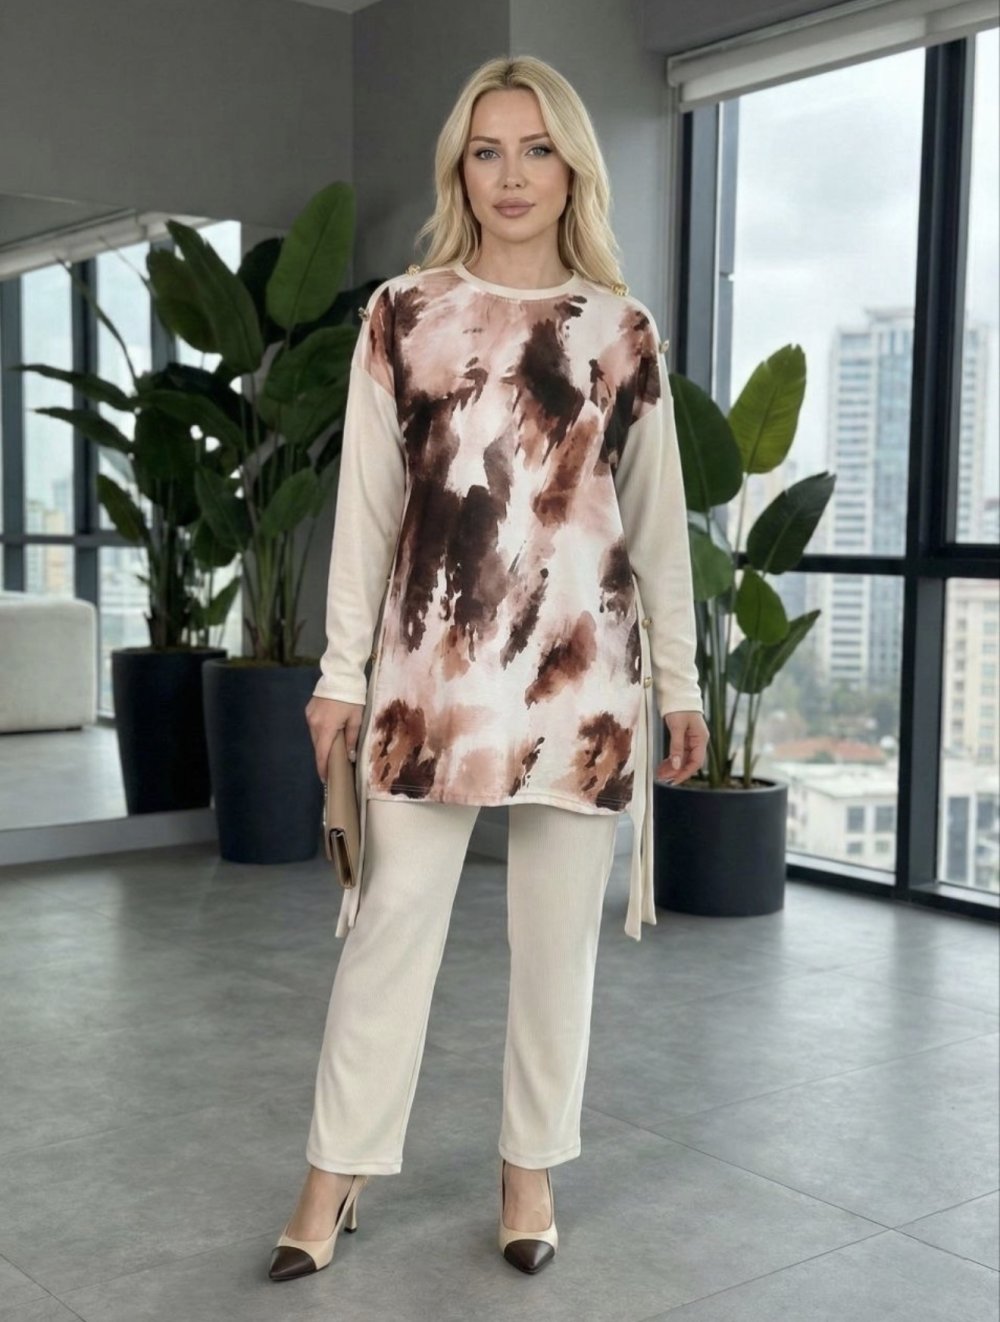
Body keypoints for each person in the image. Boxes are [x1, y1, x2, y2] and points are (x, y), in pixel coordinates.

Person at [268, 53, 709, 1283]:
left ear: (572, 166)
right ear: (458, 170)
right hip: (431, 678)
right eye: (486, 150)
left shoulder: (619, 330)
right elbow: (366, 513)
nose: (511, 174)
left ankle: (529, 1169)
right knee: (387, 928)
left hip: (583, 684)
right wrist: (340, 674)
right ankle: (334, 1171)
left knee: (557, 945)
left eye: (535, 148)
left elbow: (657, 527)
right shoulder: (403, 314)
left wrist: (680, 685)